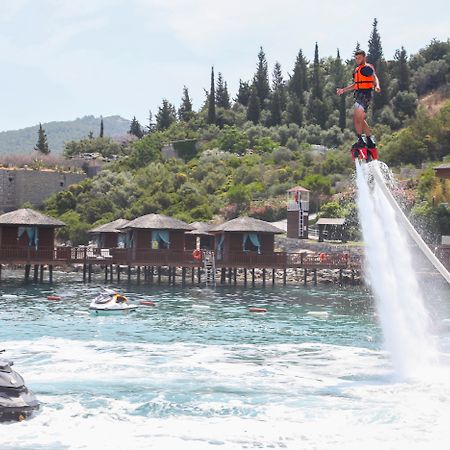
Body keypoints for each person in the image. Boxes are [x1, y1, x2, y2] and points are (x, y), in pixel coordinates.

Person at [336, 50, 381, 149]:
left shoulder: (367, 68)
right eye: (356, 58)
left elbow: (374, 77)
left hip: (365, 95)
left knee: (357, 117)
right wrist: (343, 90)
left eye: (359, 58)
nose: (357, 60)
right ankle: (369, 139)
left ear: (364, 58)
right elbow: (356, 84)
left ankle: (361, 140)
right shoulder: (358, 70)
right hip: (359, 95)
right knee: (360, 118)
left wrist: (377, 85)